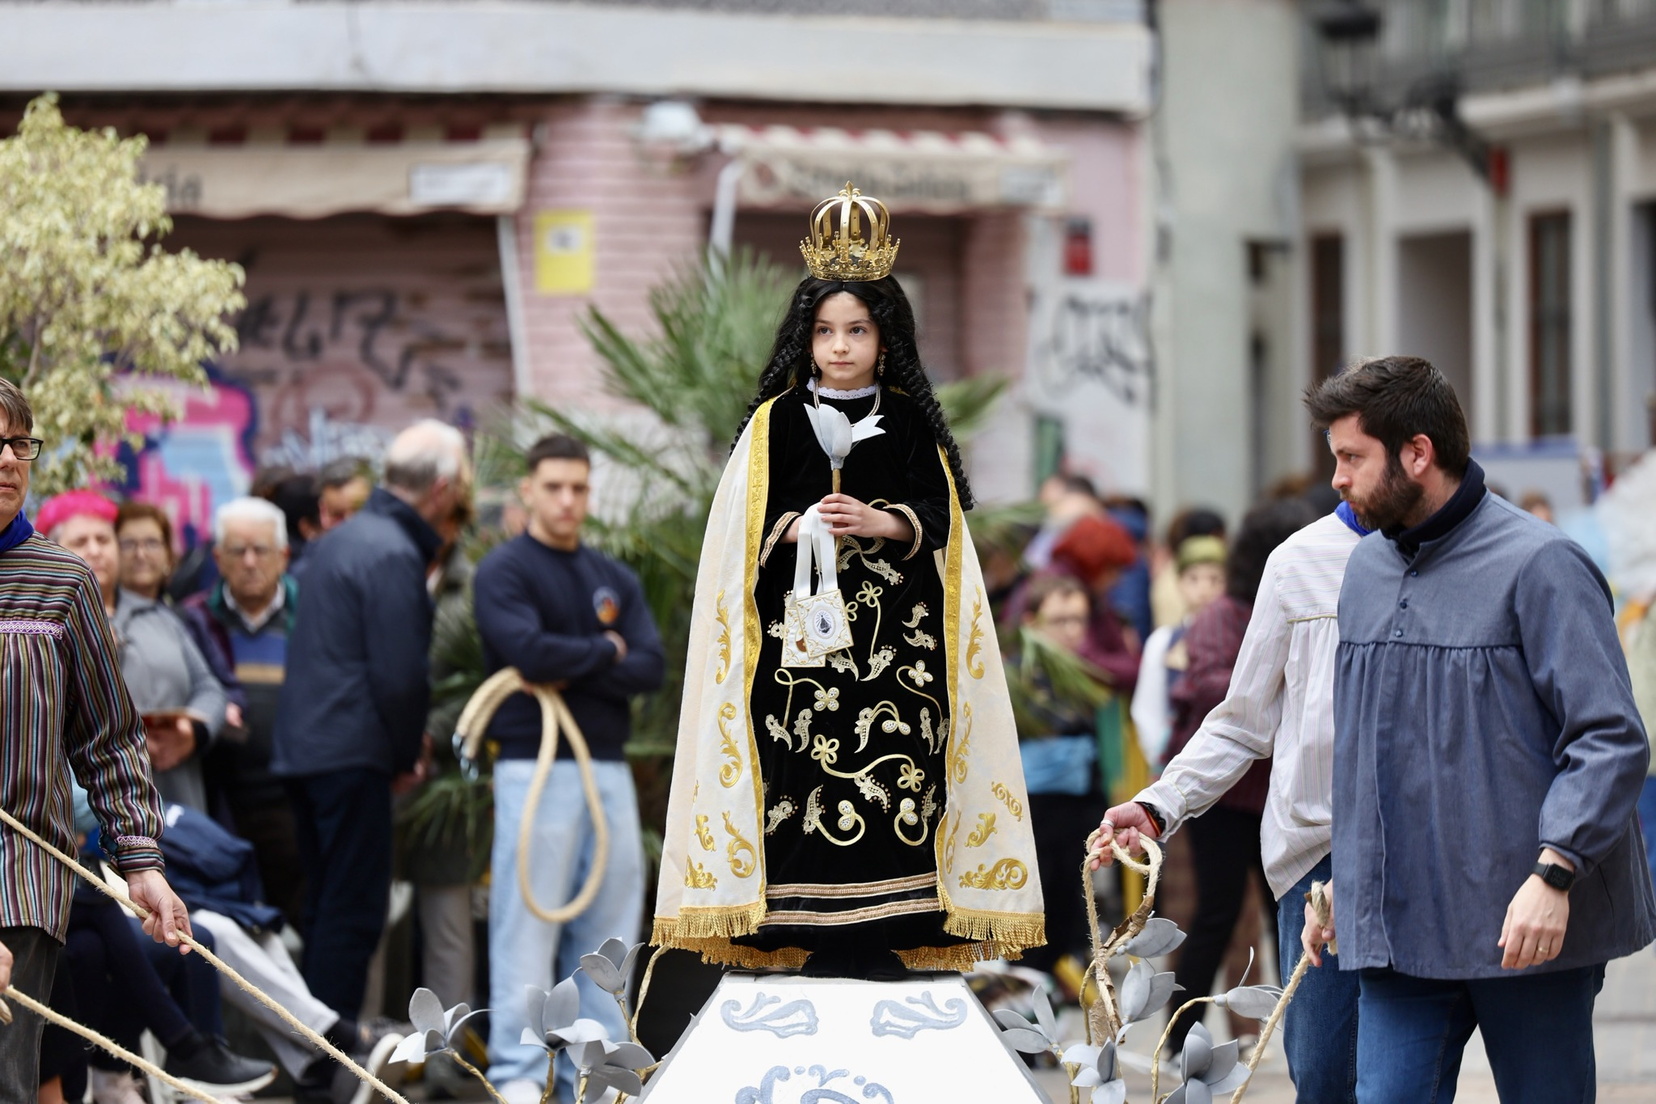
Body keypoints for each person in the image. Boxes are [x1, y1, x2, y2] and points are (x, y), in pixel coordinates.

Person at [652, 183, 1044, 978]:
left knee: (899, 775)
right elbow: (739, 537)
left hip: (896, 655)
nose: (839, 347)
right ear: (806, 337)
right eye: (826, 331)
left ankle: (898, 926)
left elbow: (943, 520)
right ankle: (795, 924)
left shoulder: (908, 421)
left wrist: (883, 522)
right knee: (798, 768)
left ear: (883, 336)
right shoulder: (774, 425)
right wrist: (793, 529)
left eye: (857, 330)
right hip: (801, 657)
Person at [1301, 356, 1656, 1100]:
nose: (1336, 479)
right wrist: (1348, 880)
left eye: (1351, 458)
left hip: (1526, 927)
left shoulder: (1543, 564)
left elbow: (1609, 736)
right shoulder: (1364, 571)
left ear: (1418, 453)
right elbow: (1372, 749)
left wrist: (1556, 872)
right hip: (1399, 931)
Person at [1096, 486, 1371, 1101]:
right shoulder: (1241, 606)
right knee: (1221, 917)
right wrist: (1158, 803)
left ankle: (1231, 1028)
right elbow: (1236, 716)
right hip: (1256, 814)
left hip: (1308, 813)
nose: (1340, 481)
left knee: (1269, 932)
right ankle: (1181, 1033)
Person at [0, 377, 195, 1099]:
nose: (8, 461)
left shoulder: (64, 582)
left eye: (18, 443)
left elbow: (110, 740)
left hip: (21, 875)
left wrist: (141, 861)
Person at [472, 434, 665, 1104]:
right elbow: (525, 652)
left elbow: (651, 665)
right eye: (553, 486)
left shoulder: (613, 576)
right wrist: (606, 652)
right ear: (528, 489)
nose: (565, 500)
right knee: (526, 929)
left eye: (578, 488)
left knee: (609, 934)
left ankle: (602, 1076)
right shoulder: (506, 570)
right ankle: (520, 1078)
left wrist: (577, 659)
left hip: (606, 768)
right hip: (534, 766)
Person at [272, 419, 470, 1031]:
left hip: (307, 751)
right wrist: (408, 753)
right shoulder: (393, 550)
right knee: (352, 913)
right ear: (440, 488)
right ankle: (327, 1061)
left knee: (327, 908)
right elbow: (399, 677)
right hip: (350, 755)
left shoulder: (344, 538)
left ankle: (317, 1053)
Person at [1153, 499, 1314, 1057]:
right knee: (1217, 912)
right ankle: (1176, 1038)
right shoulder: (1223, 615)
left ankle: (1298, 1033)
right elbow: (1215, 693)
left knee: (1287, 914)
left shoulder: (1297, 606)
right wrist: (1280, 681)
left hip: (1274, 793)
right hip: (1222, 794)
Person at [39, 492, 230, 817]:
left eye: (104, 539)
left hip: (178, 796)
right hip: (95, 810)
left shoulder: (160, 615)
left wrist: (191, 735)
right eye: (81, 541)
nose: (96, 550)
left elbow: (209, 688)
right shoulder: (42, 625)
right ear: (53, 551)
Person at [180, 496, 305, 926]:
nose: (250, 562)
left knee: (299, 916)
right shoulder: (194, 620)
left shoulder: (309, 614)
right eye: (237, 551)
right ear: (217, 557)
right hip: (221, 801)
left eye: (261, 550)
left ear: (284, 556)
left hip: (293, 800)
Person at [1011, 572, 1108, 979]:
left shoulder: (1083, 669)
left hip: (1080, 804)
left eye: (1078, 620)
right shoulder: (1014, 675)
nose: (1071, 631)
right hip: (1031, 810)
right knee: (1037, 906)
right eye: (1060, 620)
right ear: (1032, 621)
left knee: (1072, 905)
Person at [117, 499, 245, 731]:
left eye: (152, 543)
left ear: (169, 555)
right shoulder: (98, 616)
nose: (141, 554)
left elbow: (221, 687)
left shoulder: (187, 618)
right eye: (129, 544)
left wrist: (198, 725)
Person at [1131, 534, 1226, 766]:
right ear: (1179, 582)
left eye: (1214, 579)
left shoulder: (1240, 638)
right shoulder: (1163, 641)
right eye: (1193, 579)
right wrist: (1162, 756)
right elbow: (1147, 707)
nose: (1204, 589)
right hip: (1174, 760)